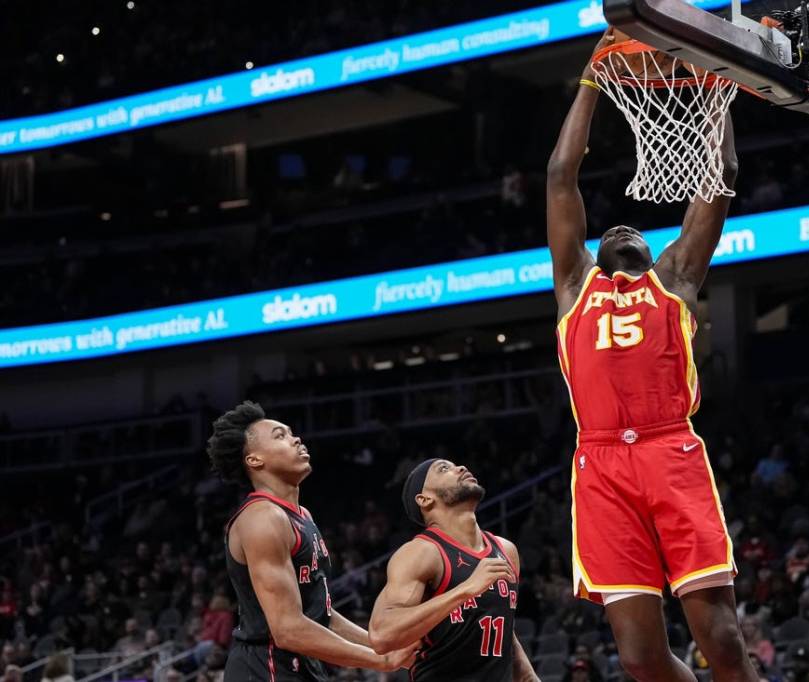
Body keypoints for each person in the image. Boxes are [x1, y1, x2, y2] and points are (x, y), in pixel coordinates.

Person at [546, 29, 753, 682]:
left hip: (669, 448)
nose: (621, 226)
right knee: (637, 658)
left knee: (719, 636)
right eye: (610, 230)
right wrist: (592, 78)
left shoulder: (676, 279)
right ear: (594, 252)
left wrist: (718, 90)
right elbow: (559, 175)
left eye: (634, 227)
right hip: (601, 459)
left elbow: (719, 181)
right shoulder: (575, 285)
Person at [206, 401, 414, 681]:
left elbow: (321, 613)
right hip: (263, 670)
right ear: (255, 460)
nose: (296, 439)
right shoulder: (262, 518)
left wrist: (384, 645)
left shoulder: (302, 515)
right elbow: (287, 629)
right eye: (280, 436)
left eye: (292, 433)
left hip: (301, 667)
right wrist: (381, 660)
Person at [368, 459, 538, 681]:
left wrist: (529, 677)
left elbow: (504, 633)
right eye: (444, 469)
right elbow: (382, 635)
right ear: (425, 499)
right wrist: (466, 589)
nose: (461, 468)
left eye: (457, 465)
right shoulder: (422, 552)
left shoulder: (506, 550)